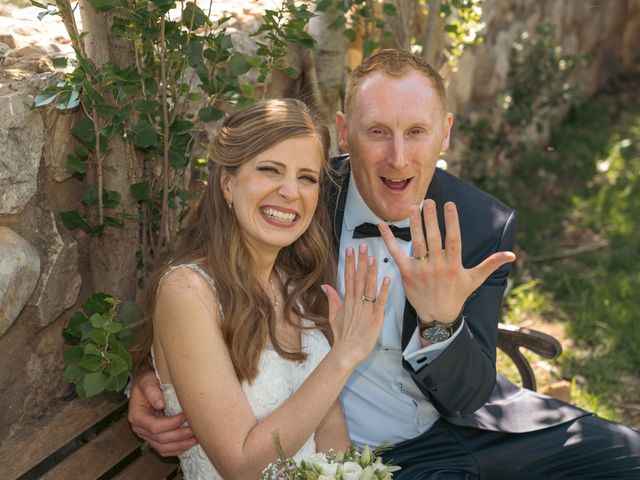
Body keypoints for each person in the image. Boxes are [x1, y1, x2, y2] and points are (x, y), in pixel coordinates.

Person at [129, 51, 640, 479]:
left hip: (465, 425)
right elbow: (206, 286)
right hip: (367, 455)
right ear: (344, 134)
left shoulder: (482, 223)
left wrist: (441, 325)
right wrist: (149, 383)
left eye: (416, 132)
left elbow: (470, 393)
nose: (398, 158)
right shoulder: (303, 202)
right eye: (378, 132)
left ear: (445, 134)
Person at [130, 98, 392, 479]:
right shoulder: (188, 292)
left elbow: (330, 429)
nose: (290, 191)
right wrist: (344, 355)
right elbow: (239, 464)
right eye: (270, 170)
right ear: (227, 183)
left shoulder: (295, 282)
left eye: (307, 178)